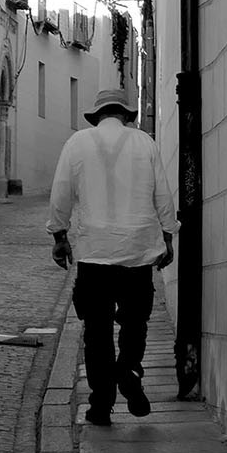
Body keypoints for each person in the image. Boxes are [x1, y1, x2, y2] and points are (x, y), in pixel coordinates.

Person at [47, 86, 178, 426]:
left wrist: (60, 236)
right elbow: (163, 194)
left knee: (97, 331)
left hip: (95, 253)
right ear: (125, 115)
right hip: (137, 251)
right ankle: (129, 369)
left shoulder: (77, 143)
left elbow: (61, 193)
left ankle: (100, 406)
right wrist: (167, 235)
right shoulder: (145, 142)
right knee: (135, 322)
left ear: (97, 116)